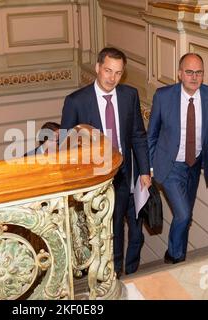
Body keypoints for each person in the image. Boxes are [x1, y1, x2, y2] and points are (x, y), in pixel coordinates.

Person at [60, 47, 151, 277]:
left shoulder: (129, 95)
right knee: (107, 232)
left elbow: (138, 135)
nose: (112, 78)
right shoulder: (76, 102)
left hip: (125, 173)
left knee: (127, 232)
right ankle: (108, 278)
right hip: (98, 178)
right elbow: (65, 148)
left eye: (118, 73)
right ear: (98, 68)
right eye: (108, 71)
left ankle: (124, 277)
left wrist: (144, 171)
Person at [147, 53, 208, 264]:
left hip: (195, 165)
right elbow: (151, 134)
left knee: (185, 215)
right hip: (169, 166)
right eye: (189, 72)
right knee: (183, 214)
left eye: (199, 72)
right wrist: (149, 168)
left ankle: (179, 254)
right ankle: (175, 257)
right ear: (180, 74)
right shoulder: (163, 96)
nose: (194, 77)